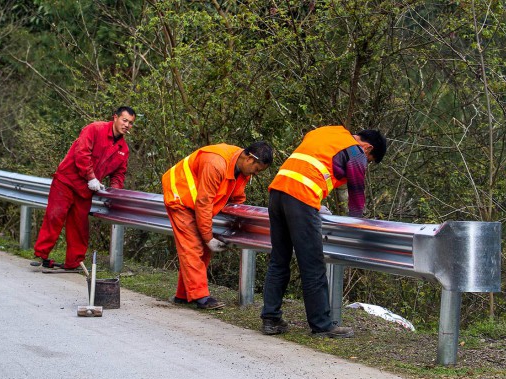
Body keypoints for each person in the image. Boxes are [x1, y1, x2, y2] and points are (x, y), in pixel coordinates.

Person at [260, 126, 387, 337]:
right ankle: (322, 325)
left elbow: (309, 162)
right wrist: (357, 224)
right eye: (370, 159)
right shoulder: (357, 151)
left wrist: (316, 204)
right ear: (368, 147)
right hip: (301, 197)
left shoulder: (327, 132)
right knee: (312, 265)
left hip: (278, 192)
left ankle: (271, 319)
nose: (367, 163)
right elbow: (357, 192)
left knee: (279, 260)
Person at [162, 141, 273, 309]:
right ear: (250, 159)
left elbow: (237, 196)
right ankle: (201, 297)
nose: (256, 174)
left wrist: (239, 216)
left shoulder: (241, 167)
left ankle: (183, 295)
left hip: (196, 202)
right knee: (193, 247)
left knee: (203, 249)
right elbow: (204, 202)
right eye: (257, 169)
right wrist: (208, 237)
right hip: (180, 196)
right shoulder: (215, 163)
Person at [32, 106, 136, 270]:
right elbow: (81, 153)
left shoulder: (123, 149)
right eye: (124, 120)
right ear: (115, 117)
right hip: (67, 180)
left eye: (130, 123)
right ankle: (41, 254)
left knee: (79, 226)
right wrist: (91, 176)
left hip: (86, 190)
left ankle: (74, 262)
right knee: (55, 216)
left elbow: (119, 174)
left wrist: (115, 193)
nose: (127, 125)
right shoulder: (94, 129)